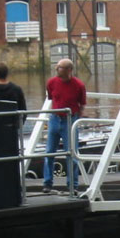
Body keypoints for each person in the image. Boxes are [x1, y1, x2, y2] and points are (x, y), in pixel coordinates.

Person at [44, 58, 86, 193]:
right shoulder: (51, 82)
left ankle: (72, 185)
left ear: (69, 70)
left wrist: (75, 118)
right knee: (49, 152)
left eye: (60, 67)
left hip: (70, 120)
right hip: (55, 119)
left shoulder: (79, 85)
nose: (57, 69)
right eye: (57, 66)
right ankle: (47, 183)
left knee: (72, 154)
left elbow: (82, 104)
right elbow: (52, 98)